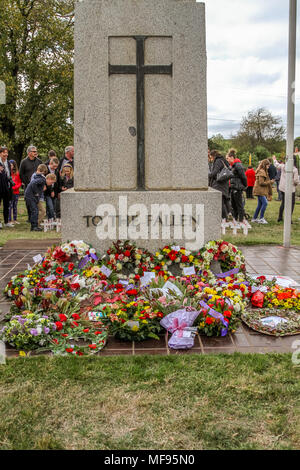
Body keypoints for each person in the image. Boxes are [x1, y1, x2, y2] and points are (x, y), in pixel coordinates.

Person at [273, 155, 299, 223]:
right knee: (292, 204)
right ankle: (289, 218)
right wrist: (296, 184)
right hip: (290, 189)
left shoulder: (283, 166)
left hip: (283, 187)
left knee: (283, 202)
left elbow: (276, 165)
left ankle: (280, 217)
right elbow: (296, 180)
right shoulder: (294, 169)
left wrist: (274, 159)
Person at [19, 146, 42, 222]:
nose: (36, 152)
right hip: (28, 185)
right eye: (34, 151)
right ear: (29, 153)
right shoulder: (24, 162)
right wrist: (26, 183)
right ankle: (30, 218)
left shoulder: (39, 161)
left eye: (36, 151)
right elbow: (21, 174)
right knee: (28, 202)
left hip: (38, 186)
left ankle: (36, 217)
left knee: (37, 201)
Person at [208, 150, 231, 225]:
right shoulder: (222, 160)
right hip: (224, 183)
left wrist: (208, 175)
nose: (211, 159)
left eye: (211, 157)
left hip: (219, 184)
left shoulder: (218, 161)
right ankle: (226, 217)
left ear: (213, 156)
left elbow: (214, 172)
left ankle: (224, 218)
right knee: (223, 201)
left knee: (219, 201)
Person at [226, 149, 248, 227]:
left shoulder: (238, 165)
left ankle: (241, 220)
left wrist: (245, 186)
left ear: (232, 157)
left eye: (227, 158)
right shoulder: (232, 166)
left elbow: (244, 177)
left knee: (239, 205)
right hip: (233, 187)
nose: (227, 160)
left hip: (237, 188)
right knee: (233, 205)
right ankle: (235, 219)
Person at [25, 164, 48, 231]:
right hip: (31, 195)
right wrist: (36, 192)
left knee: (35, 210)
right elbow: (34, 184)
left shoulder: (36, 176)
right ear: (43, 171)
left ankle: (34, 226)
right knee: (34, 211)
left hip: (29, 194)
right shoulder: (42, 179)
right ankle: (34, 226)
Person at [252, 159, 273, 224]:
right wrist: (270, 182)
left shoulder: (263, 171)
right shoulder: (262, 172)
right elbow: (261, 183)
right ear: (265, 165)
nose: (269, 166)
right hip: (260, 190)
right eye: (268, 165)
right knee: (265, 203)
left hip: (260, 190)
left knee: (260, 205)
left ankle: (254, 218)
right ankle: (261, 218)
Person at [0, 146, 14, 228]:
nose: (6, 154)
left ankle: (6, 222)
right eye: (4, 152)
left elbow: (9, 174)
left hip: (7, 187)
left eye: (7, 153)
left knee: (6, 205)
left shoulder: (8, 163)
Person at [8, 160, 22, 225]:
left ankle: (15, 219)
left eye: (11, 165)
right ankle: (9, 220)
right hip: (9, 193)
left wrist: (15, 187)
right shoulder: (7, 173)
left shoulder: (17, 174)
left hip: (16, 192)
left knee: (15, 206)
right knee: (10, 206)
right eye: (9, 165)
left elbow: (19, 183)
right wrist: (11, 188)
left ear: (14, 165)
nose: (10, 166)